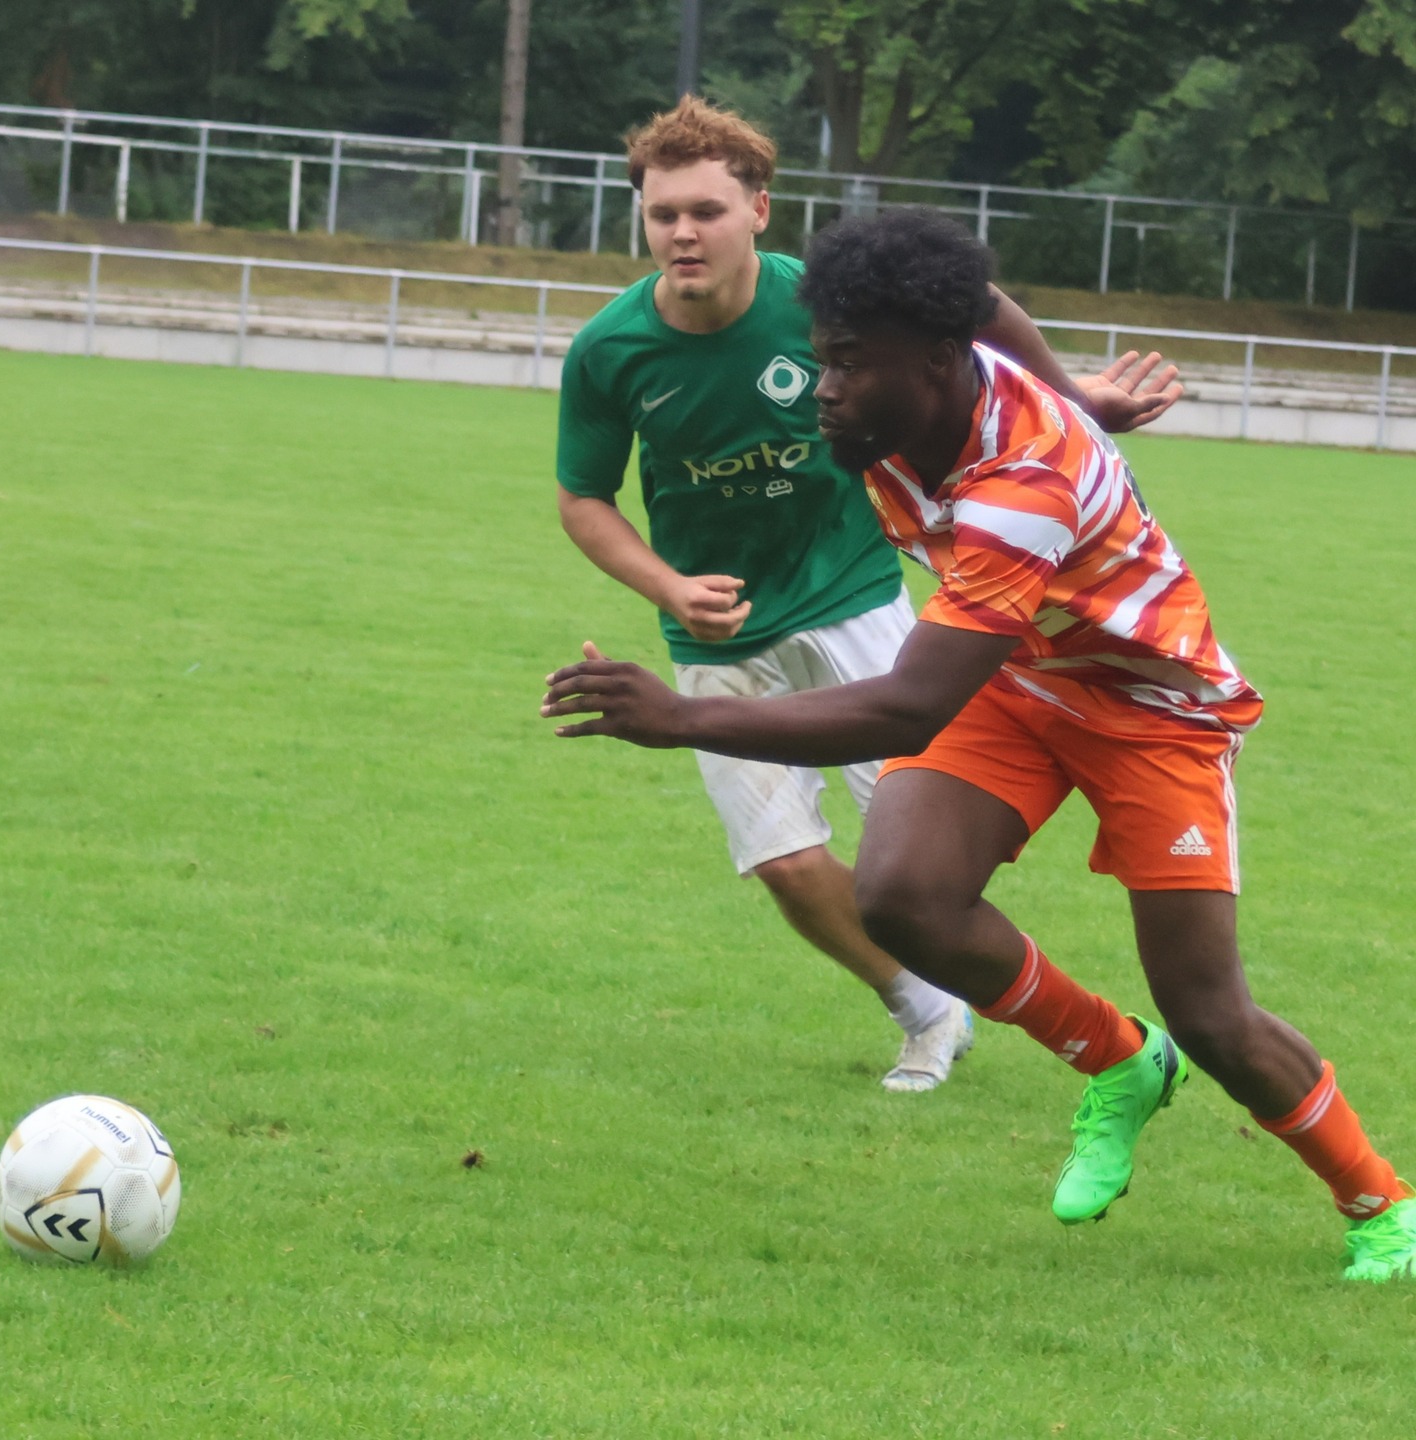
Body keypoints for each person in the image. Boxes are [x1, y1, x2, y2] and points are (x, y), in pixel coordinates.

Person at [541, 205, 1416, 1281]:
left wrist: (683, 718)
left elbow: (907, 705)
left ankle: (1381, 1199)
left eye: (850, 366)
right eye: (824, 361)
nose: (825, 389)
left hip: (1151, 709)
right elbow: (982, 300)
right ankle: (1121, 1061)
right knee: (901, 893)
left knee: (1213, 1011)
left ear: (942, 364)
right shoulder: (900, 397)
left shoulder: (1023, 485)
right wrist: (1077, 386)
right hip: (1017, 678)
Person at [556, 96, 1182, 1095]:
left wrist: (1073, 402)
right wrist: (669, 583)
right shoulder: (608, 350)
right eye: (664, 212)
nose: (683, 231)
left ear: (759, 210)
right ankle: (926, 1010)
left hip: (858, 601)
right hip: (718, 636)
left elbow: (973, 303)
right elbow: (582, 498)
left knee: (917, 850)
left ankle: (1082, 1031)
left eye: (707, 210)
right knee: (784, 864)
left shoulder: (826, 302)